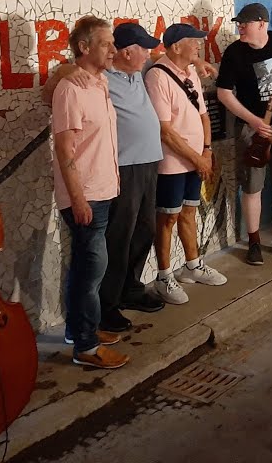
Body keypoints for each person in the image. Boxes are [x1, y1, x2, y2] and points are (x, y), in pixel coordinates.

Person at [42, 22, 171, 335]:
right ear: (126, 51)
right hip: (118, 170)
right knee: (113, 243)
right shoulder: (94, 79)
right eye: (108, 45)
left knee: (143, 230)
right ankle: (103, 311)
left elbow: (172, 59)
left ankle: (129, 289)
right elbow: (53, 92)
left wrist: (198, 60)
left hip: (141, 165)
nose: (149, 52)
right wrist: (62, 71)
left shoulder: (131, 74)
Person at [50, 16, 130, 369]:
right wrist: (78, 198)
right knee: (92, 270)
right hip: (86, 195)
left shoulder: (97, 82)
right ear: (84, 47)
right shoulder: (70, 89)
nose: (113, 49)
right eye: (105, 43)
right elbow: (64, 149)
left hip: (102, 189)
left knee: (86, 267)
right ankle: (86, 346)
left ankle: (80, 329)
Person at [215, 2, 272, 266]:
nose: (240, 27)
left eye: (245, 23)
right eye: (239, 23)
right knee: (252, 184)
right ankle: (254, 241)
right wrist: (253, 121)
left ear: (262, 24)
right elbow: (223, 93)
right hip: (250, 126)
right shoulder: (234, 53)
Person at [145, 23, 228, 303]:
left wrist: (206, 151)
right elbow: (165, 130)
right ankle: (164, 275)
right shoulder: (158, 77)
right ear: (176, 46)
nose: (198, 47)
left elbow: (203, 115)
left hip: (196, 159)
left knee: (189, 212)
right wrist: (197, 158)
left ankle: (193, 265)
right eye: (194, 42)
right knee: (167, 217)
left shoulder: (190, 70)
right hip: (172, 163)